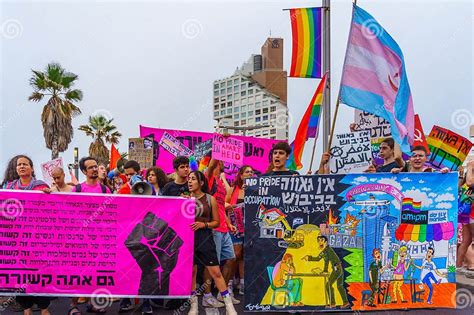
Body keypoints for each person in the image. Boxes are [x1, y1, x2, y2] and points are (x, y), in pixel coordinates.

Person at [5, 155, 51, 315]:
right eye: (19, 164)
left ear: (32, 168)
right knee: (20, 275)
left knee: (39, 274)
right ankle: (26, 308)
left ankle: (44, 307)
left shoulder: (41, 187)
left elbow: (52, 211)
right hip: (16, 241)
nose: (22, 166)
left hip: (38, 241)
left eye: (25, 164)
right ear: (16, 169)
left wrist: (50, 196)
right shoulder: (9, 188)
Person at [187, 171, 237, 315]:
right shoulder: (184, 199)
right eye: (189, 179)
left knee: (215, 272)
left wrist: (204, 225)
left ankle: (229, 307)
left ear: (201, 183)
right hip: (189, 239)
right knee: (192, 272)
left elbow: (217, 222)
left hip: (205, 238)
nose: (189, 181)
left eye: (193, 179)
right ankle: (193, 306)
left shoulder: (210, 199)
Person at [70, 157, 110, 314]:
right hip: (81, 240)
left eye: (96, 166)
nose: (95, 169)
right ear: (84, 171)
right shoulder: (77, 189)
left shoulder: (105, 190)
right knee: (77, 274)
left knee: (96, 273)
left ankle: (94, 305)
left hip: (99, 239)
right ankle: (72, 306)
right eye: (91, 167)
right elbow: (68, 211)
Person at [202, 159, 239, 307]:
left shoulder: (222, 183)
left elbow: (220, 207)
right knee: (211, 264)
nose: (224, 161)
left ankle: (221, 293)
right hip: (213, 229)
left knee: (231, 258)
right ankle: (207, 295)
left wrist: (229, 223)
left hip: (224, 228)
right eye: (221, 159)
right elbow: (211, 167)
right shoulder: (209, 179)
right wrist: (218, 150)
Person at [225, 165, 254, 295]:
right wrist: (231, 206)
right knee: (235, 254)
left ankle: (242, 282)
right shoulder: (233, 189)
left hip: (250, 227)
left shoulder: (255, 190)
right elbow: (223, 205)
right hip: (235, 226)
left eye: (251, 172)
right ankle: (229, 282)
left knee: (244, 255)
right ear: (241, 175)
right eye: (247, 172)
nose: (250, 174)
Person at [302, 236, 350, 308]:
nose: (320, 242)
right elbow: (325, 261)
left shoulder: (328, 250)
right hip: (339, 268)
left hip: (337, 269)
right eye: (318, 240)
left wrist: (309, 258)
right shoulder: (325, 251)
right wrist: (309, 258)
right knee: (339, 286)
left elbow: (323, 259)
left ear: (326, 242)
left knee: (328, 285)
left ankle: (332, 303)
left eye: (322, 240)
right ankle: (345, 302)